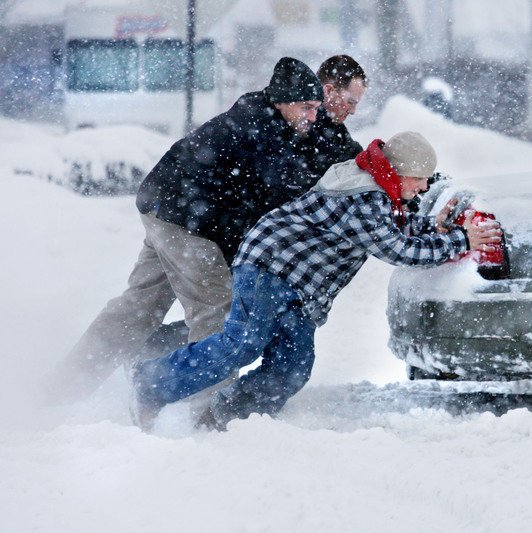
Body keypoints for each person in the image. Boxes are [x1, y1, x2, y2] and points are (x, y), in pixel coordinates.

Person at [131, 131, 502, 431]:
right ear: (402, 172)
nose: (423, 188)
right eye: (420, 180)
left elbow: (394, 225)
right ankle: (149, 383)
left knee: (292, 366)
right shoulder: (365, 195)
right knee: (241, 343)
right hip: (269, 266)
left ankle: (227, 418)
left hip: (298, 287)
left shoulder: (378, 187)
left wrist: (436, 228)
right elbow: (397, 248)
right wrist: (462, 240)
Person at [50, 57, 349, 401]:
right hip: (186, 221)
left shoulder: (268, 122)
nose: (313, 117)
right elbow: (276, 196)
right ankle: (207, 411)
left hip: (165, 208)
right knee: (218, 312)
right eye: (306, 108)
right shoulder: (261, 131)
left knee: (139, 308)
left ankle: (62, 388)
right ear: (281, 100)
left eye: (315, 108)